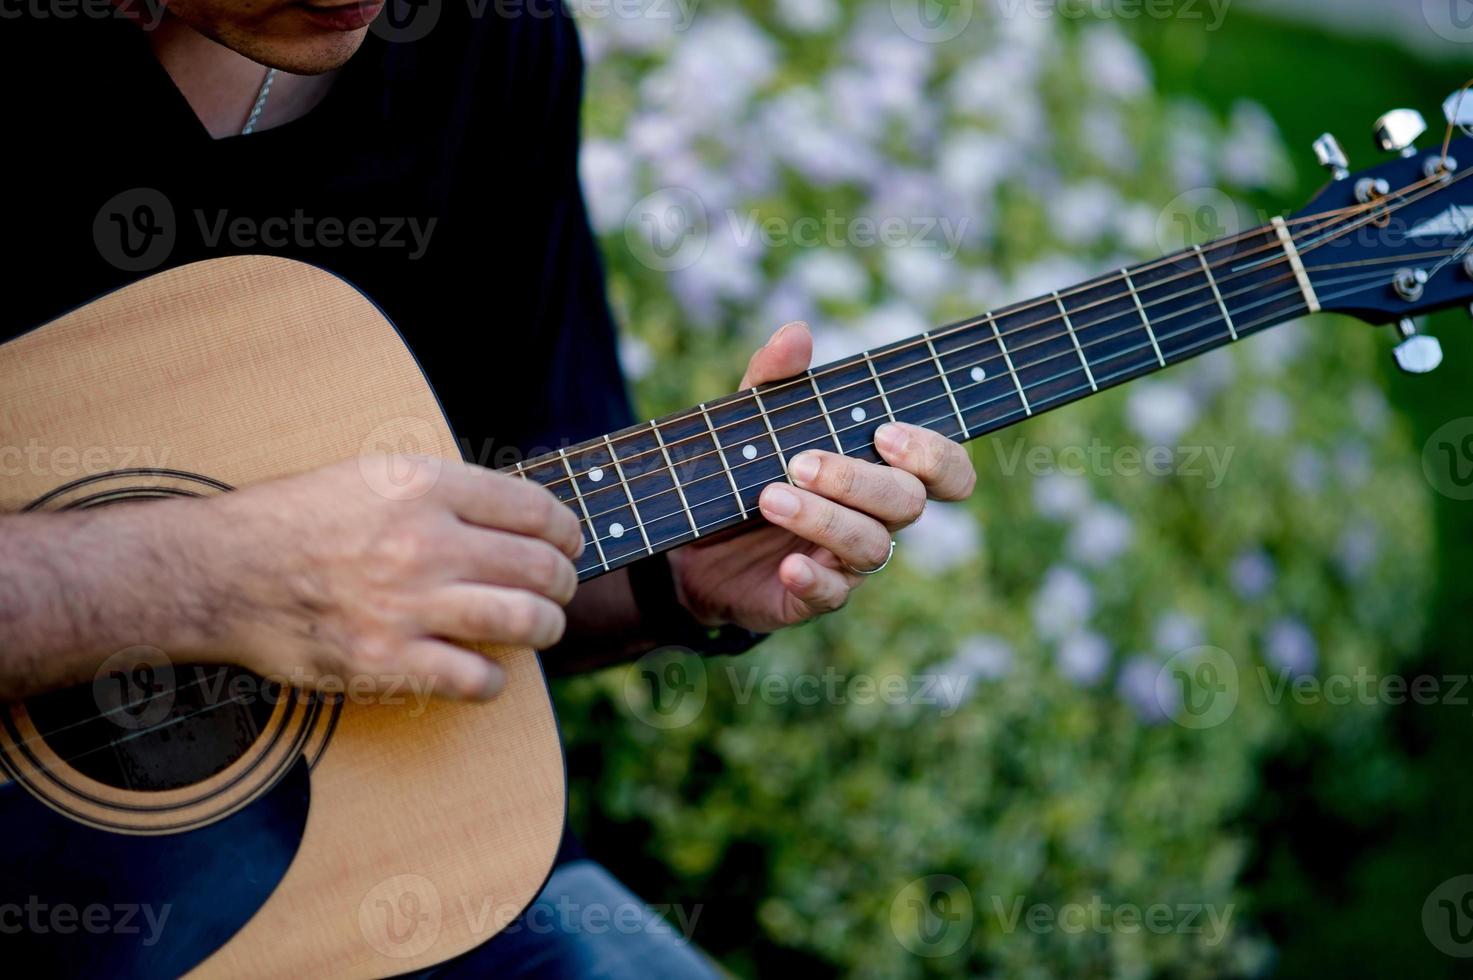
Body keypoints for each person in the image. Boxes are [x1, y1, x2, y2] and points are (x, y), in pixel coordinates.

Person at [1, 0, 977, 973]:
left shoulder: (487, 43)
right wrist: (214, 575)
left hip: (388, 886)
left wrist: (670, 574)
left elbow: (495, 544)